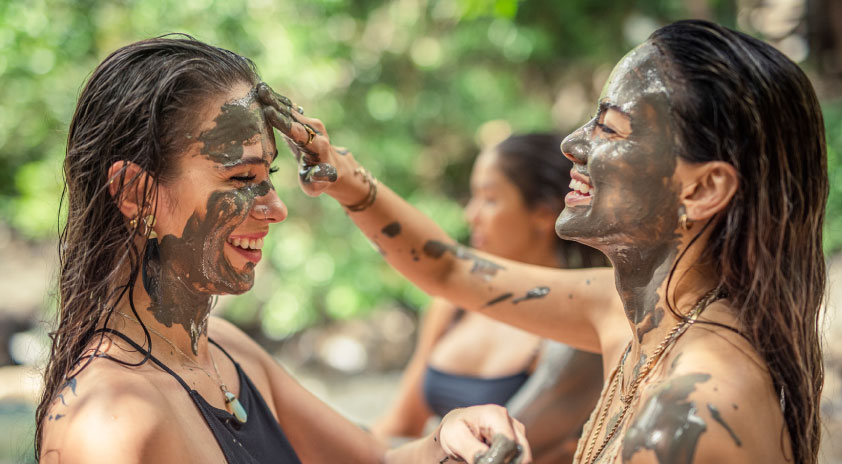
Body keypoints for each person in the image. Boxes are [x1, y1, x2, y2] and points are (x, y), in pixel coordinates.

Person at [263, 19, 826, 463]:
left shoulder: (687, 412)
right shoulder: (629, 310)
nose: (573, 145)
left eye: (609, 127)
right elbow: (452, 272)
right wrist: (343, 174)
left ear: (703, 188)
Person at [35, 37, 531, 464]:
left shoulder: (228, 350)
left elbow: (378, 458)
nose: (275, 207)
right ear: (137, 194)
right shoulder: (107, 423)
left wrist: (452, 434)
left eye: (267, 177)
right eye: (241, 178)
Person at [371, 133, 605, 464]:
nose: (471, 214)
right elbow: (402, 423)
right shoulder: (452, 307)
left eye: (490, 199)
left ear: (542, 212)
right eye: (473, 197)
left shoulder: (578, 329)